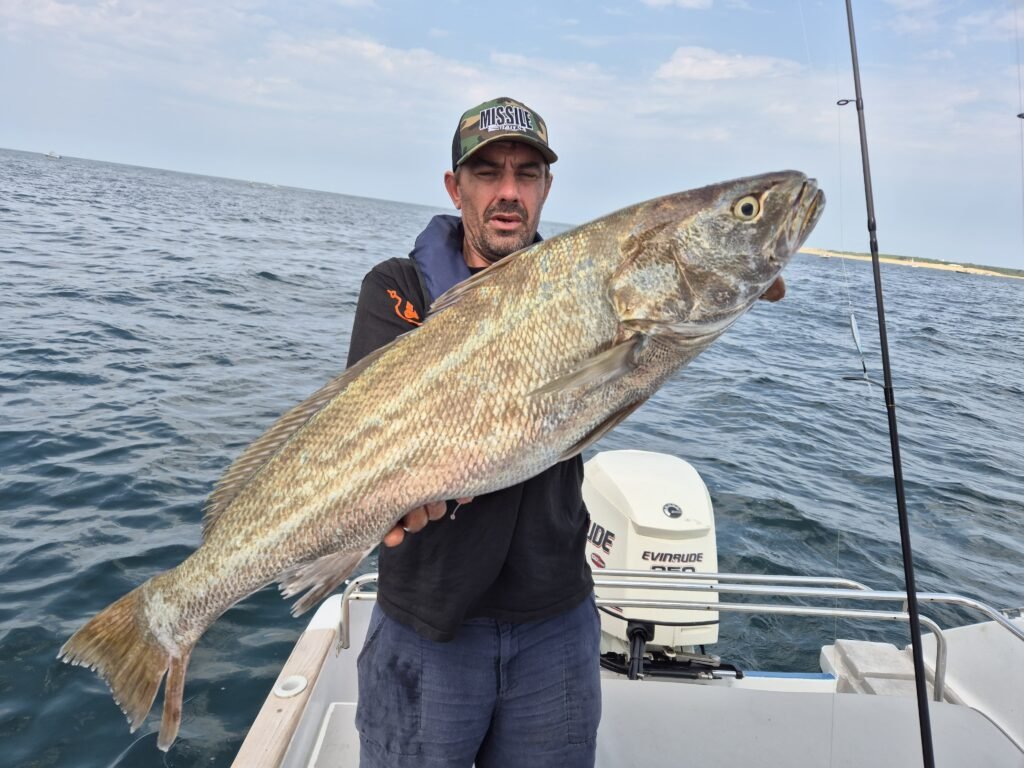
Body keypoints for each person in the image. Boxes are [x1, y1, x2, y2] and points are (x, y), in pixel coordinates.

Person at [346, 97, 601, 768]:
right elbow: (374, 433)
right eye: (487, 173)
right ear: (455, 188)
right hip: (425, 627)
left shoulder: (583, 289)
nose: (508, 192)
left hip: (556, 622)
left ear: (547, 188)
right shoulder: (397, 289)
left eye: (526, 173)